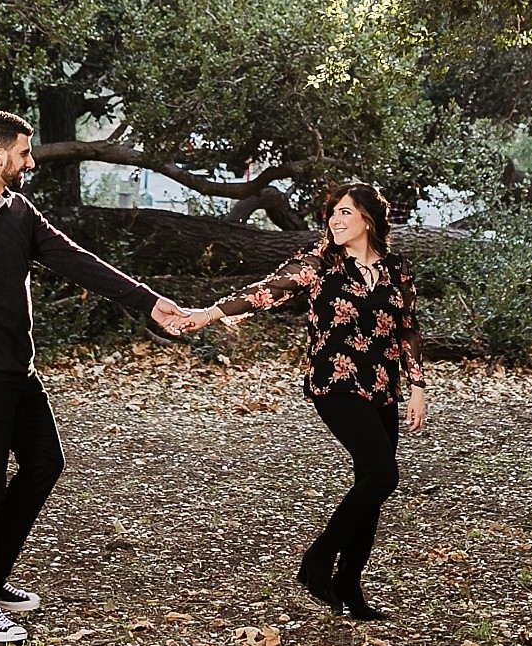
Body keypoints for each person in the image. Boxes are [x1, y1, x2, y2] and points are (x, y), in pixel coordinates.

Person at [0, 110, 192, 644]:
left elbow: (75, 259)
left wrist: (149, 302)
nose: (30, 162)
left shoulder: (18, 211)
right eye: (23, 153)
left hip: (19, 371)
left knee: (45, 463)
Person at [175, 181, 426, 621]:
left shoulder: (395, 269)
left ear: (369, 217)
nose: (336, 220)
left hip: (384, 387)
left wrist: (417, 385)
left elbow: (407, 328)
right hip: (335, 384)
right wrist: (211, 313)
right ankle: (317, 561)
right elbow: (266, 291)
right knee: (384, 474)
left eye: (346, 212)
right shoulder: (318, 263)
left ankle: (349, 584)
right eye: (333, 213)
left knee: (369, 485)